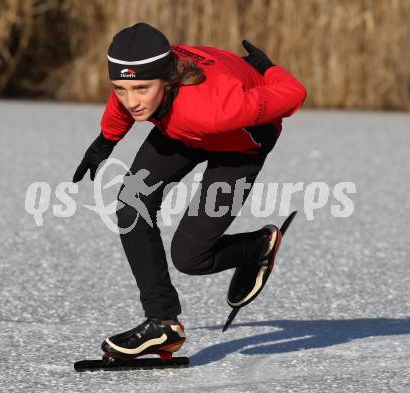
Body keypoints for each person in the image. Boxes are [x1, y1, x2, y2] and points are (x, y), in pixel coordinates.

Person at [73, 22, 306, 361]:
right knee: (130, 205)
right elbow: (124, 95)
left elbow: (294, 93)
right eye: (122, 88)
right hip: (180, 129)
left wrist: (267, 68)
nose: (131, 101)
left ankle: (257, 247)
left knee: (191, 258)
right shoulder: (144, 75)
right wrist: (106, 140)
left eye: (140, 89)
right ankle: (162, 324)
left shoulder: (218, 108)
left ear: (167, 80)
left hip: (239, 143)